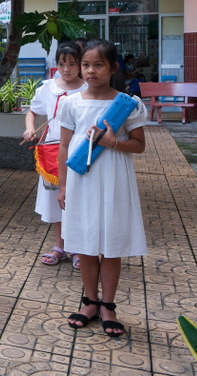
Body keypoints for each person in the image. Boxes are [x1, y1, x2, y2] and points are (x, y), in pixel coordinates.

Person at [57, 39, 147, 337]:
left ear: (113, 68)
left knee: (111, 244)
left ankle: (108, 305)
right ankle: (90, 302)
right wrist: (62, 186)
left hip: (114, 180)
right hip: (81, 180)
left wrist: (113, 143)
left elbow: (139, 145)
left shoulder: (126, 103)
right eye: (86, 65)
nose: (91, 71)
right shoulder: (71, 102)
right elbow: (65, 146)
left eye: (98, 65)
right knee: (84, 243)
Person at [23, 43, 86, 269]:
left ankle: (78, 248)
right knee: (56, 200)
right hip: (52, 151)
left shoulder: (87, 89)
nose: (66, 69)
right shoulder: (48, 88)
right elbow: (32, 110)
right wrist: (30, 129)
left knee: (77, 199)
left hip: (79, 151)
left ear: (80, 64)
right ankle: (60, 246)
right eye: (62, 64)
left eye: (72, 64)